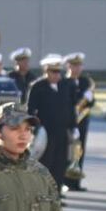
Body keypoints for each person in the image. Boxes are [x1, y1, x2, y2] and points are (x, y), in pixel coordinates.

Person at [26, 54, 75, 194]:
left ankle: (56, 195)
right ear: (46, 71)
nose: (57, 75)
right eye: (54, 71)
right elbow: (30, 110)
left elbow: (71, 108)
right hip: (45, 133)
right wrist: (34, 129)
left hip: (62, 132)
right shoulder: (37, 86)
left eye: (59, 71)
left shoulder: (66, 85)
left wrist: (74, 126)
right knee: (45, 164)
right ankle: (42, 194)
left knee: (60, 165)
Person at [62, 52, 93, 193]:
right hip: (68, 122)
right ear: (68, 66)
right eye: (74, 65)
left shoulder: (85, 82)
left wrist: (90, 99)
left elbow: (90, 104)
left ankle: (76, 182)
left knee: (80, 151)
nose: (77, 68)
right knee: (67, 152)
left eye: (79, 65)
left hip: (82, 122)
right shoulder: (63, 82)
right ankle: (65, 181)